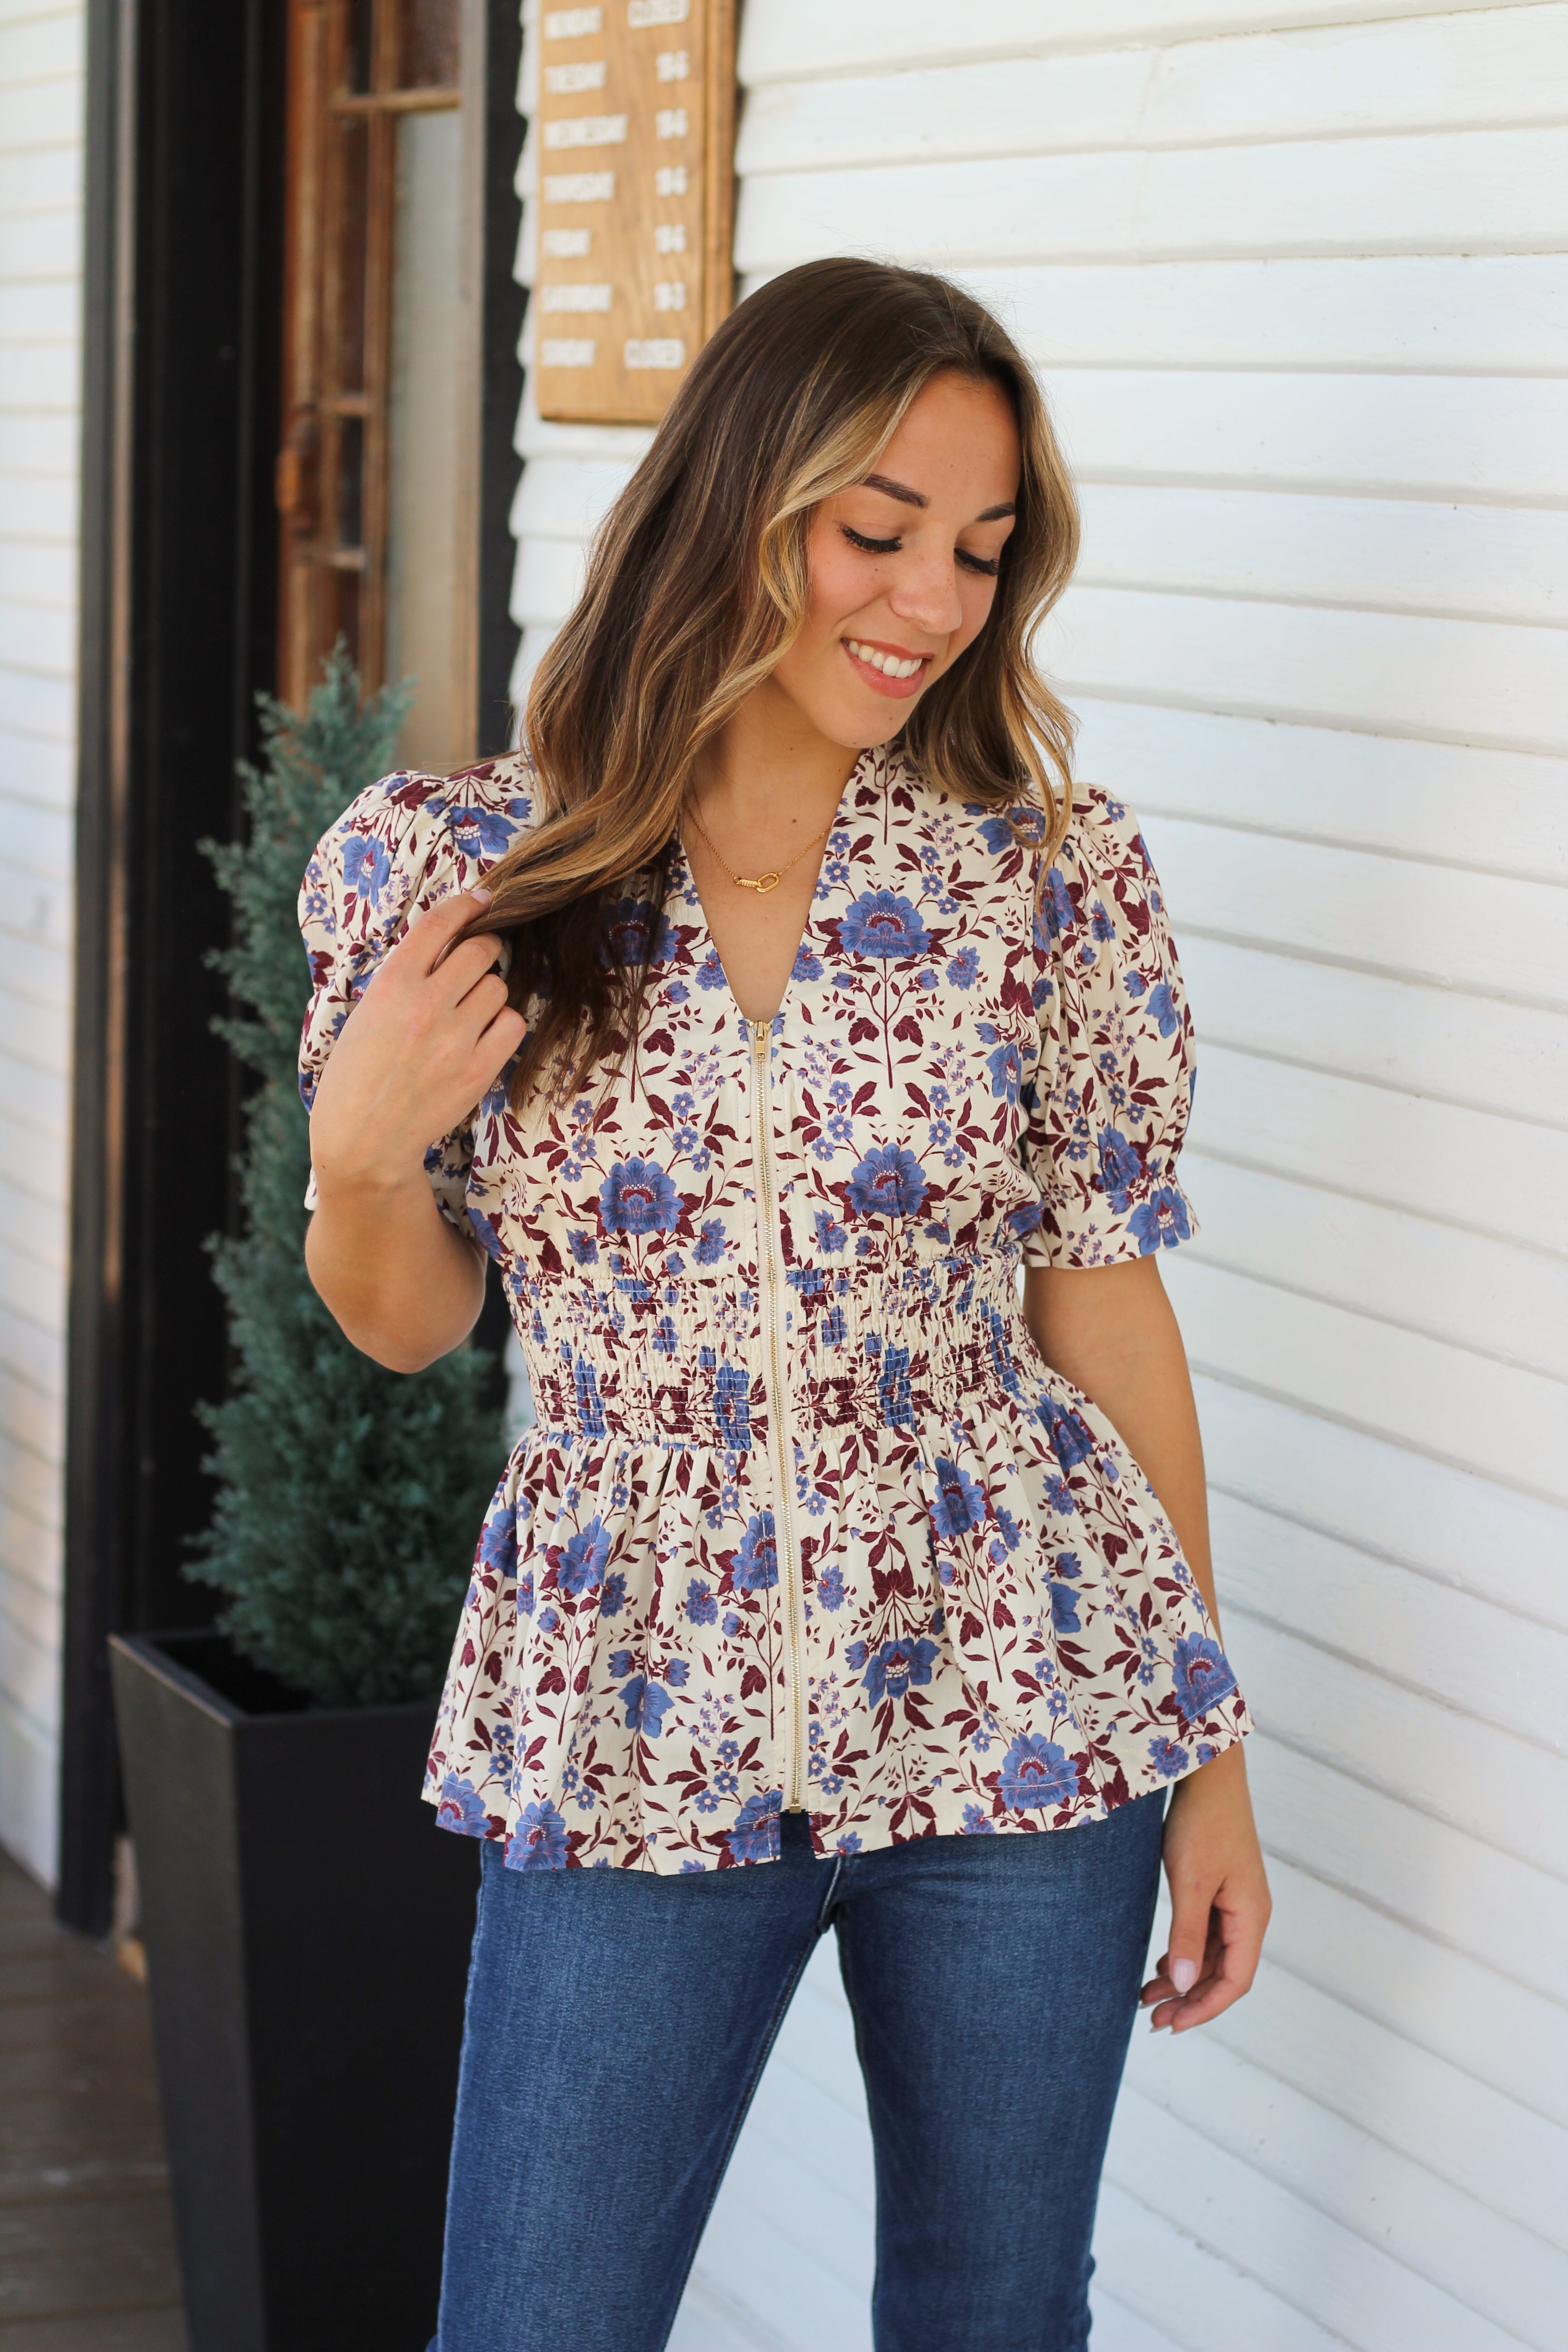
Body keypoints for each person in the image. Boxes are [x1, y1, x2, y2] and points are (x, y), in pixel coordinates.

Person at [299, 257, 1270, 2352]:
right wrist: (359, 1161)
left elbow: (1106, 1316)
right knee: (537, 2319)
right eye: (879, 531)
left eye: (981, 553)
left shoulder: (1043, 879)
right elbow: (406, 1324)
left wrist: (1210, 1756)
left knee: (996, 2313)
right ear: (740, 501)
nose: (931, 602)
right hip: (636, 1705)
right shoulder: (463, 870)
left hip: (1027, 1688)